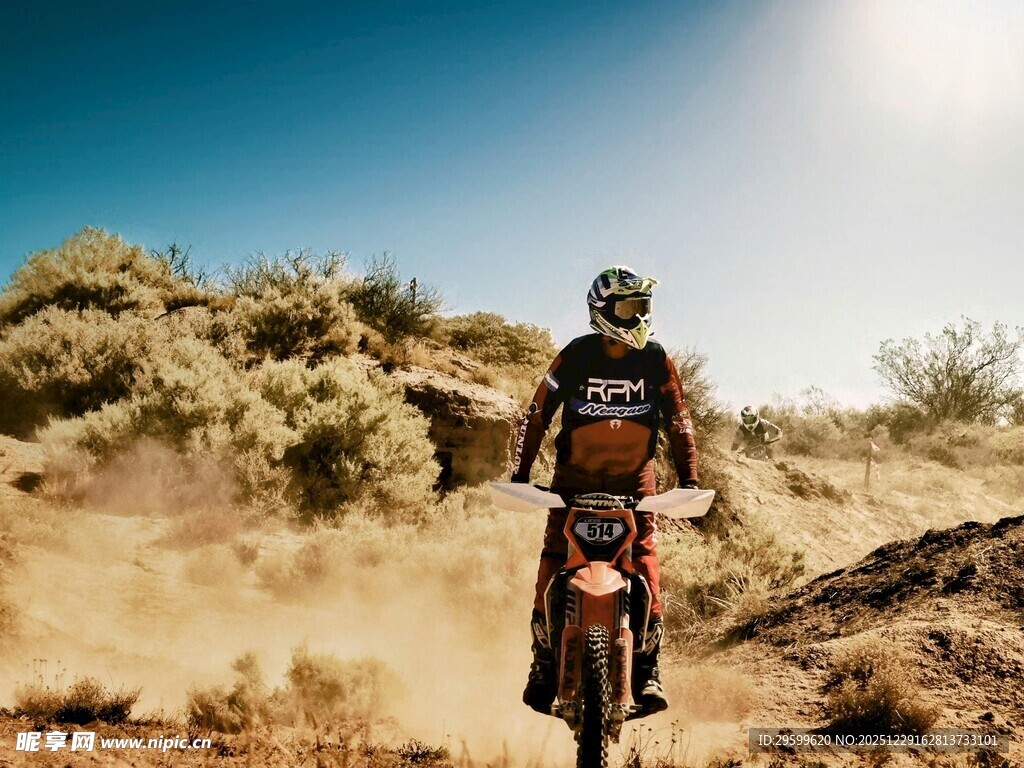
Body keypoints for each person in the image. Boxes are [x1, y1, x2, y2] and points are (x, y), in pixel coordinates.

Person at [509, 266, 700, 716]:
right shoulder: (575, 355)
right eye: (630, 307)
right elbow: (535, 413)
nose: (639, 317)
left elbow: (679, 419)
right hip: (573, 481)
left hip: (634, 483)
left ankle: (649, 669)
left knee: (644, 562)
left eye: (643, 308)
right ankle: (542, 662)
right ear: (603, 311)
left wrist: (689, 479)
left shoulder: (655, 358)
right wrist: (520, 474)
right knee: (554, 558)